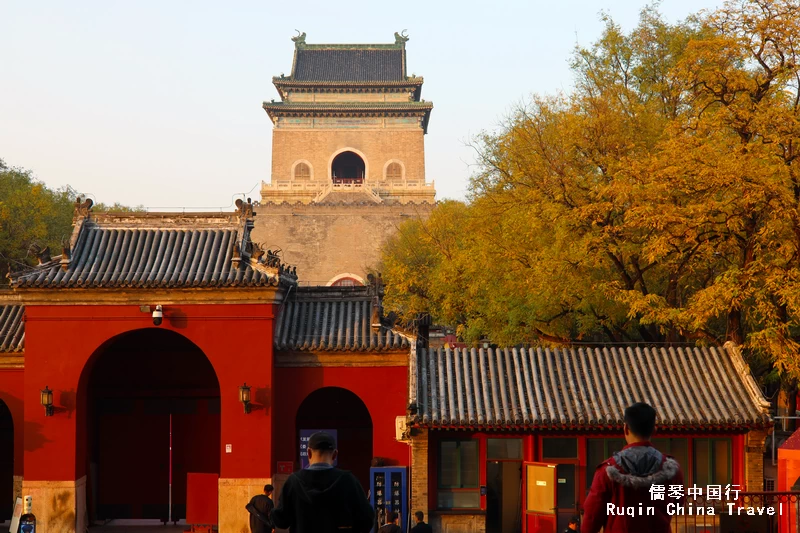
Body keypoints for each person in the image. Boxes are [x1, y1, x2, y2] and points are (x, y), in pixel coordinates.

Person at [582, 402, 683, 533]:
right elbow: (677, 504)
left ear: (625, 429)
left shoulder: (607, 470)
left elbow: (592, 517)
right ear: (654, 430)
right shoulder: (672, 470)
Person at [271, 431, 374, 533]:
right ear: (335, 454)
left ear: (309, 453)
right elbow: (367, 519)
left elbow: (281, 521)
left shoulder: (293, 482)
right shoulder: (348, 480)